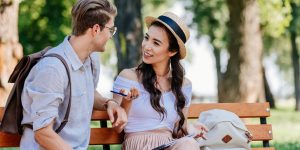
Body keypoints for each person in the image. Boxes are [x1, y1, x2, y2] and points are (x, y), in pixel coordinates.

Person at [20, 0, 127, 149]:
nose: (111, 35)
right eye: (111, 29)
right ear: (96, 29)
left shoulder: (91, 59)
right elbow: (43, 134)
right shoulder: (53, 69)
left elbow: (87, 92)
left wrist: (109, 103)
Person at [112, 12, 208, 150]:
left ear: (172, 51)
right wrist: (127, 102)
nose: (147, 46)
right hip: (138, 145)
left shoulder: (183, 85)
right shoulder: (128, 77)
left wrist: (192, 129)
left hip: (169, 145)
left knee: (189, 144)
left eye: (156, 43)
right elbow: (117, 128)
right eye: (147, 38)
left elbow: (179, 129)